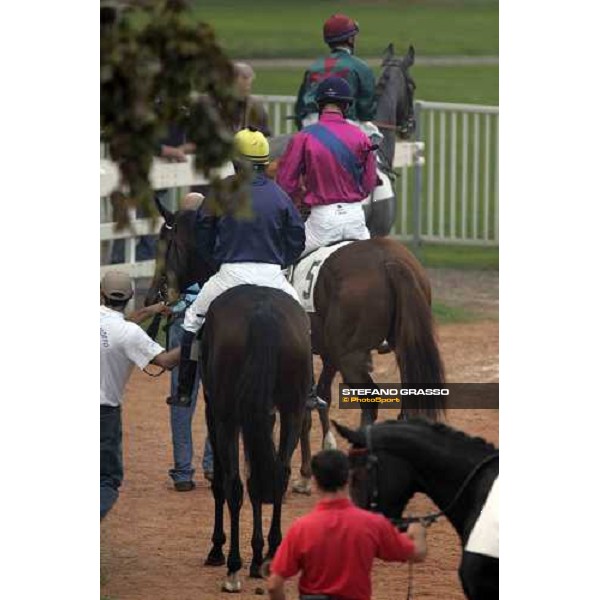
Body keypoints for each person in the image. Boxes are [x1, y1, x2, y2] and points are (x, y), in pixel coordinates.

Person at [169, 127, 305, 407]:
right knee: (301, 323)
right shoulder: (280, 196)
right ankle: (310, 389)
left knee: (192, 319)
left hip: (229, 273)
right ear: (264, 162)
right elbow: (297, 239)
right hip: (271, 274)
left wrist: (216, 259)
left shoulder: (220, 191)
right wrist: (280, 260)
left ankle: (184, 390)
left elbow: (202, 233)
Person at [267, 449, 427, 600]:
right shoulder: (372, 524)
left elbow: (274, 584)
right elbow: (418, 553)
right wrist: (417, 531)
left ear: (315, 482)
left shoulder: (301, 528)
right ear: (348, 479)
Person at [100, 270, 181, 520]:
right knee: (106, 482)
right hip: (104, 415)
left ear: (101, 294)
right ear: (131, 296)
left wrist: (153, 310)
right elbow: (166, 361)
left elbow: (119, 324)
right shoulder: (128, 334)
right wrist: (194, 337)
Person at [277, 76, 378, 256]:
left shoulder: (303, 137)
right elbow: (369, 183)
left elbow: (285, 183)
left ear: (319, 105)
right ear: (346, 106)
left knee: (282, 258)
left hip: (321, 221)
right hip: (356, 218)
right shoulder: (362, 137)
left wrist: (297, 200)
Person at [166, 192, 213, 490]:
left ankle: (183, 472)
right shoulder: (217, 238)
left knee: (183, 397)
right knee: (219, 397)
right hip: (217, 322)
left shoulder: (172, 244)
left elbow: (165, 284)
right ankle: (212, 463)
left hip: (184, 324)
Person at [294, 14, 377, 132]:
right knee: (375, 137)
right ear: (350, 39)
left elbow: (300, 108)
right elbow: (366, 111)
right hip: (346, 124)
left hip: (310, 124)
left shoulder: (312, 67)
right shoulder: (361, 68)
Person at [230, 62, 271, 136]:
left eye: (250, 78)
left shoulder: (256, 106)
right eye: (244, 78)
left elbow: (266, 133)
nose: (249, 82)